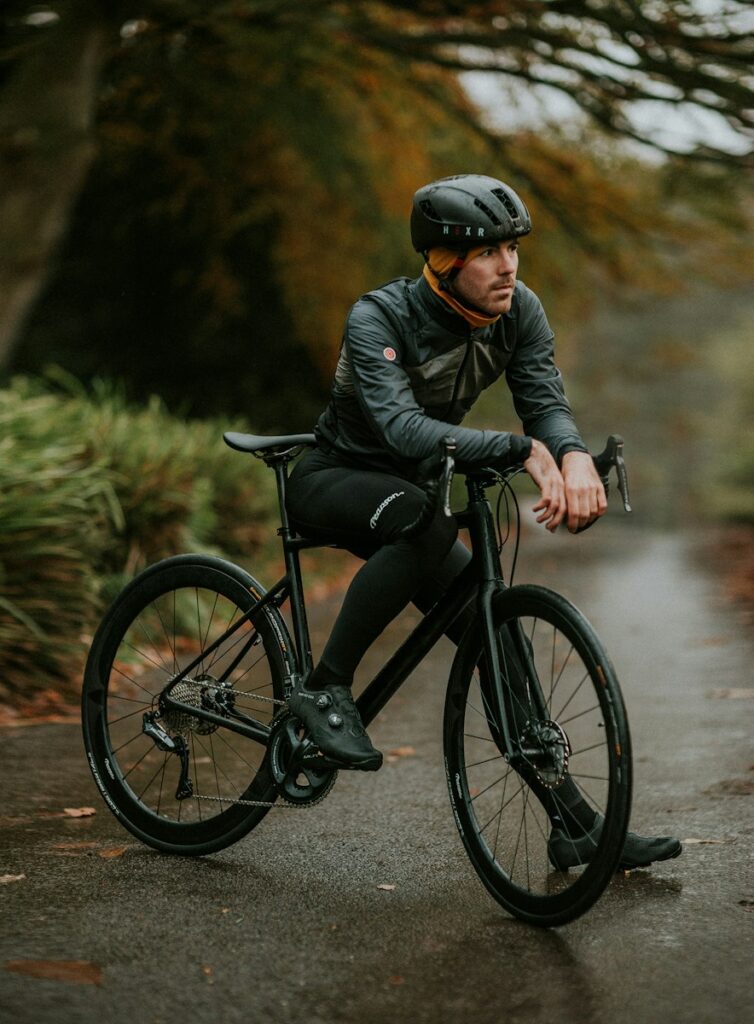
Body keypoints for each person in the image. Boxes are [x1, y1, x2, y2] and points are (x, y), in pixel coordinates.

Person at [286, 173, 681, 870]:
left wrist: (572, 456)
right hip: (336, 479)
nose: (508, 266)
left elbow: (544, 401)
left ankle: (575, 826)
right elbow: (403, 429)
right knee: (428, 523)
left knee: (500, 645)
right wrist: (518, 450)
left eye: (513, 249)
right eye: (489, 252)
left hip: (416, 493)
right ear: (445, 262)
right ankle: (324, 687)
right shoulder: (379, 317)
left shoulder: (518, 311)